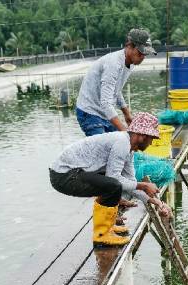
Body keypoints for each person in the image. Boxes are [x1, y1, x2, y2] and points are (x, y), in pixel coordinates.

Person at [49, 112, 172, 247]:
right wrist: (143, 186)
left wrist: (153, 200)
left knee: (115, 184)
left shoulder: (129, 148)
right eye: (151, 139)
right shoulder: (122, 144)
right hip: (63, 175)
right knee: (113, 185)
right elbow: (116, 180)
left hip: (73, 173)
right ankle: (102, 235)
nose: (151, 142)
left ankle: (108, 227)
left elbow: (130, 181)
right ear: (142, 136)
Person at [75, 28, 157, 137]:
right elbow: (106, 103)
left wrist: (126, 114)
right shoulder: (113, 64)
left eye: (145, 54)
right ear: (129, 46)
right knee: (105, 148)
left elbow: (116, 90)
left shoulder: (130, 64)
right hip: (89, 112)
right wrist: (125, 133)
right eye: (140, 52)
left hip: (104, 113)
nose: (142, 57)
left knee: (118, 145)